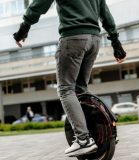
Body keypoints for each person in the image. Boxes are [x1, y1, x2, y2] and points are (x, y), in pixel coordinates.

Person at [13, 0, 126, 157]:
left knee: (66, 89)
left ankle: (83, 140)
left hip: (73, 38)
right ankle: (104, 133)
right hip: (94, 39)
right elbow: (105, 14)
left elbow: (39, 4)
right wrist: (116, 42)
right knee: (80, 90)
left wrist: (23, 29)